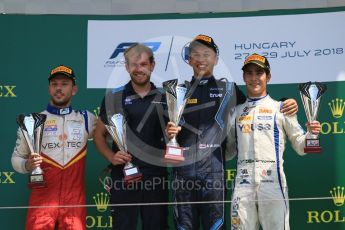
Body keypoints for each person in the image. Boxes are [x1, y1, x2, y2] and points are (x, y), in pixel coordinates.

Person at [166, 35, 299, 230]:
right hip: (183, 174)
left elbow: (255, 106)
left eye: (207, 54)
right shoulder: (176, 91)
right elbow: (160, 132)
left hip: (214, 175)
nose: (201, 59)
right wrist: (169, 133)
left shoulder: (229, 90)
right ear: (189, 59)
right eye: (196, 54)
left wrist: (288, 103)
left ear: (216, 59)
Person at [226, 53, 321, 230]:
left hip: (273, 182)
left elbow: (301, 146)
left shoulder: (281, 108)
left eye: (259, 73)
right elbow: (228, 152)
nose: (254, 78)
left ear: (268, 76)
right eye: (249, 73)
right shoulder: (235, 112)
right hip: (242, 183)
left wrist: (312, 134)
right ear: (244, 77)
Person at [11, 65, 97, 230]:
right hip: (42, 200)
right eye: (54, 84)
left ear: (74, 89)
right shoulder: (32, 121)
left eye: (64, 84)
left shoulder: (87, 119)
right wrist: (27, 165)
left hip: (74, 201)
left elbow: (105, 139)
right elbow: (16, 158)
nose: (59, 88)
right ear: (49, 88)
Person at [93, 43, 168, 230]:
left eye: (143, 64)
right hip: (123, 176)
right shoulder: (113, 97)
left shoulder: (166, 97)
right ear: (127, 67)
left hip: (155, 177)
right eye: (134, 65)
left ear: (152, 65)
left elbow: (173, 136)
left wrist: (172, 138)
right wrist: (111, 157)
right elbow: (99, 136)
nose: (139, 69)